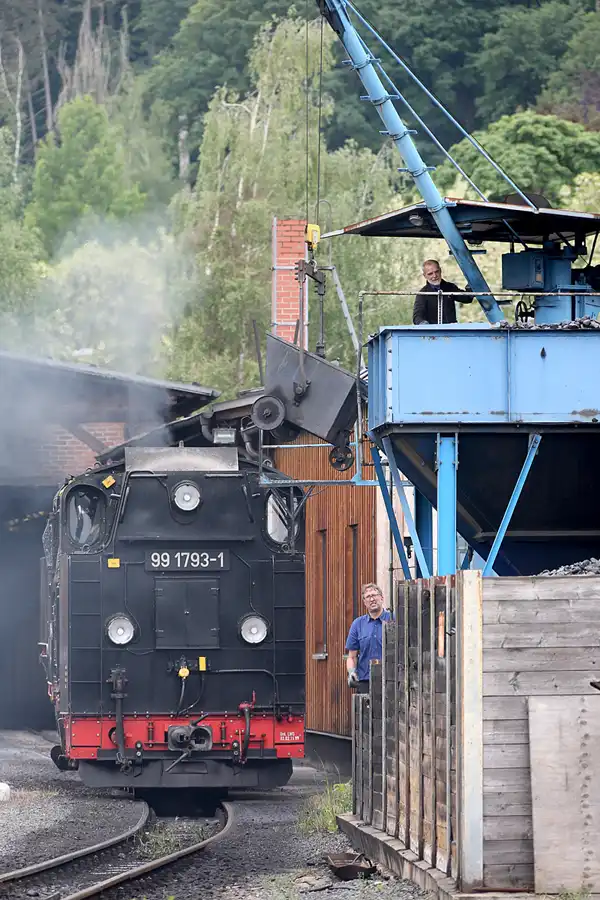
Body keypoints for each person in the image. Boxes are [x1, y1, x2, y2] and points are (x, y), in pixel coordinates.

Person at [345, 584, 392, 693]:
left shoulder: (394, 619)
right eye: (368, 597)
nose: (372, 599)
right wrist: (351, 672)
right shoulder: (357, 624)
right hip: (365, 681)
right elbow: (351, 656)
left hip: (391, 680)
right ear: (364, 602)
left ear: (382, 598)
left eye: (374, 595)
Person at [412, 259, 473, 325]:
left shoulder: (450, 287)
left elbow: (466, 298)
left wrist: (472, 285)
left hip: (451, 330)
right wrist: (424, 324)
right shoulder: (422, 294)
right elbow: (417, 316)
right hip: (434, 332)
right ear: (425, 276)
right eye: (430, 274)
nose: (434, 276)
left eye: (436, 272)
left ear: (440, 270)